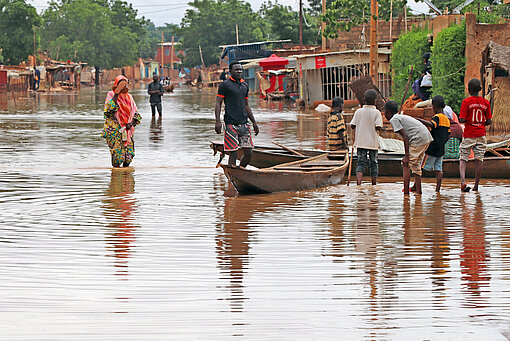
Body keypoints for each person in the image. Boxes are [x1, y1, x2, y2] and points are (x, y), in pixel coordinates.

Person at [215, 61, 259, 167]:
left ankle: (240, 171)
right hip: (231, 123)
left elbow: (246, 105)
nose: (239, 72)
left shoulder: (244, 85)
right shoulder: (225, 85)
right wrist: (217, 122)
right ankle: (232, 175)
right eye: (236, 70)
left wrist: (254, 122)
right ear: (230, 71)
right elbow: (218, 104)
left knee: (249, 152)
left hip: (244, 123)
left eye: (241, 70)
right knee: (233, 152)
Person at [384, 100, 433, 194]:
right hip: (425, 137)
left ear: (387, 112)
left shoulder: (394, 119)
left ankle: (406, 193)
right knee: (416, 165)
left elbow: (405, 137)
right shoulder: (400, 117)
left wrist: (407, 156)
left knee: (406, 164)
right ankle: (418, 192)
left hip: (419, 138)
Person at [458, 78, 492, 192]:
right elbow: (489, 121)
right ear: (480, 90)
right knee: (479, 159)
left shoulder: (466, 102)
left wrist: (467, 119)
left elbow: (462, 119)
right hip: (481, 134)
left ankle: (463, 182)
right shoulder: (486, 102)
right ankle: (476, 185)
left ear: (468, 90)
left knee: (463, 158)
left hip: (469, 134)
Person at [102, 75, 141, 167]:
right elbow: (108, 110)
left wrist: (131, 123)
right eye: (120, 85)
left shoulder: (129, 98)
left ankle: (126, 179)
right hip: (114, 130)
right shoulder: (111, 95)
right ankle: (116, 179)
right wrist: (117, 93)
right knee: (117, 157)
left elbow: (136, 115)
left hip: (127, 131)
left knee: (128, 157)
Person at [415, 95, 451, 192]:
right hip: (441, 148)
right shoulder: (447, 119)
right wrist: (442, 143)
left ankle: (416, 186)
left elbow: (432, 125)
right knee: (438, 169)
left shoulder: (437, 117)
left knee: (419, 167)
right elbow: (448, 135)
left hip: (432, 148)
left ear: (434, 107)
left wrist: (419, 120)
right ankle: (437, 189)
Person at [350, 89, 383, 185]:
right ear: (375, 100)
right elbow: (378, 126)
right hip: (372, 143)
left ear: (364, 99)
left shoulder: (358, 111)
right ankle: (374, 183)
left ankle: (358, 183)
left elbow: (352, 125)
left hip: (361, 142)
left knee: (360, 162)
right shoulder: (376, 112)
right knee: (374, 163)